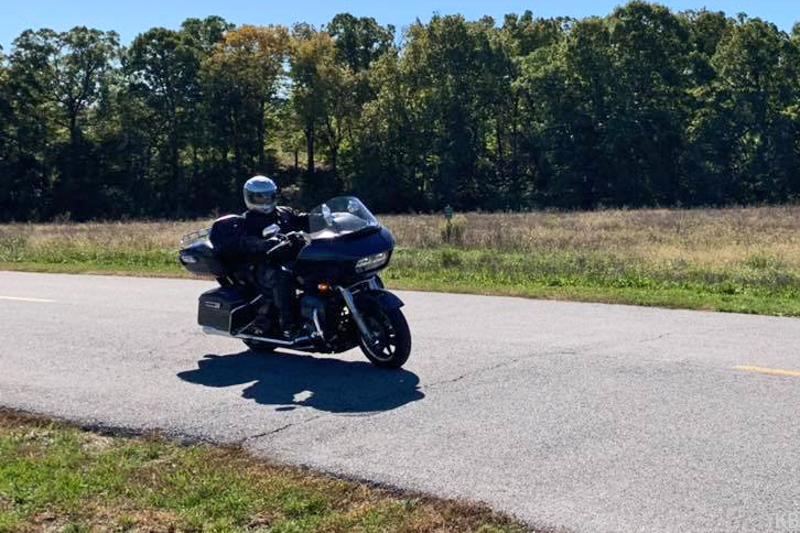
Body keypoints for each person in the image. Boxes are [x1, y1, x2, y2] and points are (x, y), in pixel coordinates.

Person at [234, 175, 310, 338]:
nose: (265, 200)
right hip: (263, 265)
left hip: (291, 259)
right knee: (283, 276)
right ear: (249, 197)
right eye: (259, 197)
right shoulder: (246, 221)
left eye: (268, 196)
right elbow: (246, 241)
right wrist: (265, 243)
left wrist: (325, 217)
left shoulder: (285, 212)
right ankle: (289, 325)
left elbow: (303, 219)